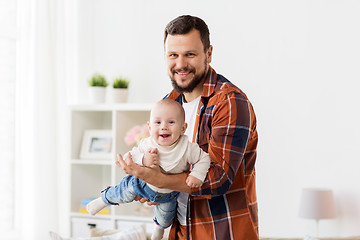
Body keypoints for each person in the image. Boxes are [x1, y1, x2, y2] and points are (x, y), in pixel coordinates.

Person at [116, 15, 259, 240]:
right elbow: (166, 166)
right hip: (180, 230)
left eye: (190, 54)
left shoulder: (229, 101)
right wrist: (150, 186)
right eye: (173, 55)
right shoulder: (170, 103)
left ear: (208, 54)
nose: (180, 64)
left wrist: (158, 180)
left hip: (220, 232)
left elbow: (218, 178)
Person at [86, 98, 210, 240]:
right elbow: (129, 157)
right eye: (158, 122)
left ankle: (158, 229)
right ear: (150, 127)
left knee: (165, 218)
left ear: (183, 128)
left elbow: (204, 158)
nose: (164, 127)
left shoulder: (187, 148)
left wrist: (197, 175)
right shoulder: (147, 144)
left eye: (171, 122)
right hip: (141, 184)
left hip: (168, 194)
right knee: (122, 192)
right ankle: (103, 200)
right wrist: (143, 159)